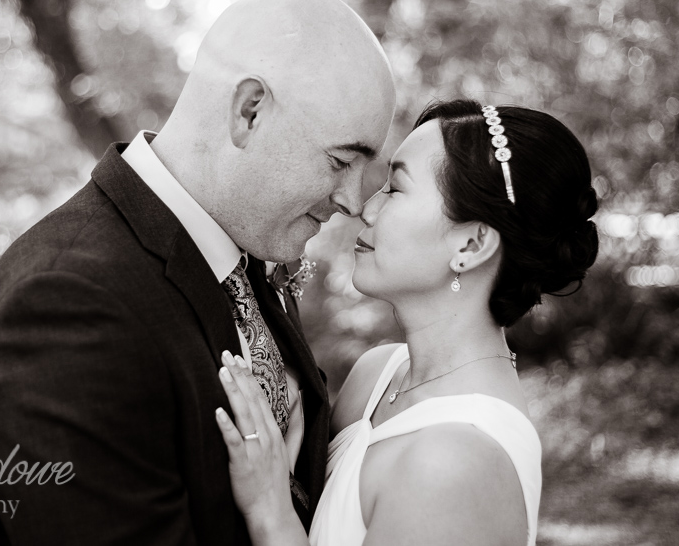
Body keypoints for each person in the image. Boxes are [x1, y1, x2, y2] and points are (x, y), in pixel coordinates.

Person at [0, 0, 397, 545]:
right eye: (339, 161)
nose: (354, 201)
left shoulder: (244, 249)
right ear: (249, 111)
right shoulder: (66, 309)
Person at [214, 99, 600, 546]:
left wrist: (270, 509)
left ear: (472, 244)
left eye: (395, 189)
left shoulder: (454, 463)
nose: (364, 207)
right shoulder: (375, 375)